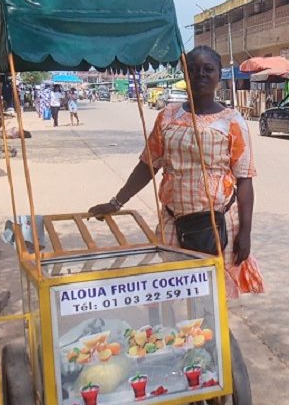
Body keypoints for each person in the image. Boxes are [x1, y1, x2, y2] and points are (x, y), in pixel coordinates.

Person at [89, 46, 264, 299]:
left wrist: (245, 233)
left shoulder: (233, 121)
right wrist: (116, 202)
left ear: (219, 74)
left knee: (213, 298)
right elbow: (148, 165)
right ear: (185, 74)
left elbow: (244, 180)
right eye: (193, 69)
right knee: (172, 291)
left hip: (219, 226)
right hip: (174, 223)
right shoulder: (168, 116)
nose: (200, 74)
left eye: (208, 69)